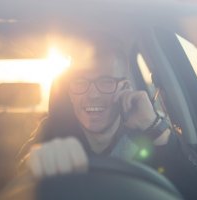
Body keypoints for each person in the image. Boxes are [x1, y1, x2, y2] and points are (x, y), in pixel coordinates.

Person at [16, 37, 176, 179]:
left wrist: (154, 127)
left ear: (125, 88)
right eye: (80, 82)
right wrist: (36, 164)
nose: (92, 95)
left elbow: (192, 189)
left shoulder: (147, 132)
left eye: (106, 81)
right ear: (70, 93)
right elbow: (20, 183)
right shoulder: (52, 131)